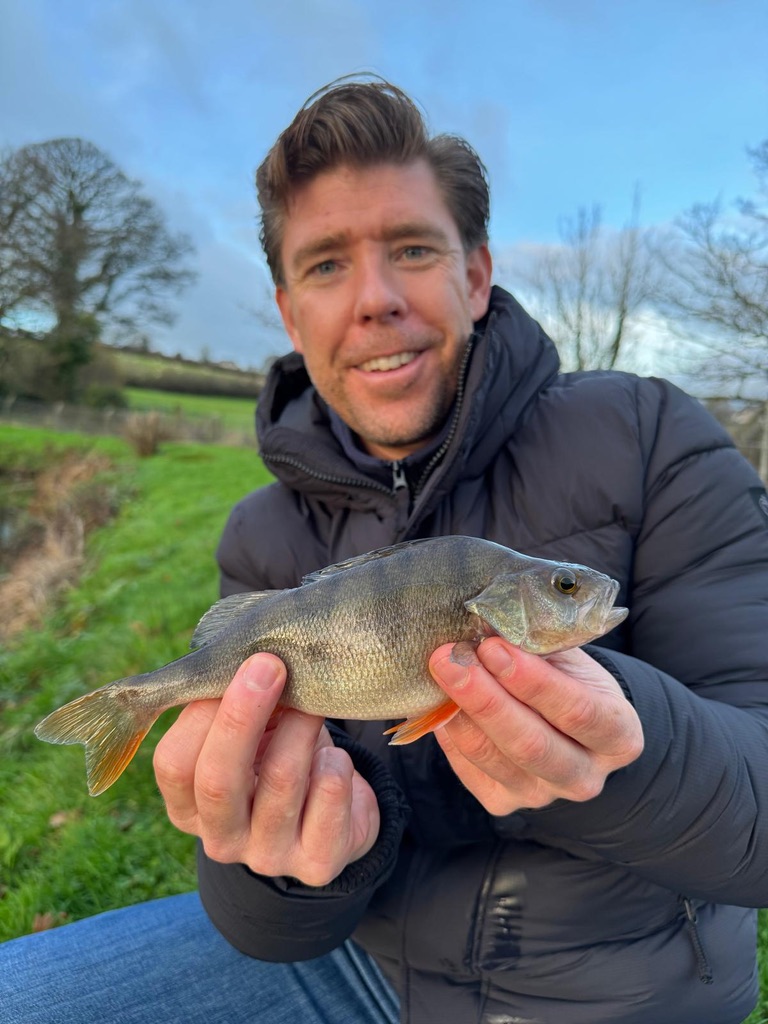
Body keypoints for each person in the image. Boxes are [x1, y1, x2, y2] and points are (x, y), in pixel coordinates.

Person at [2, 76, 768, 1024]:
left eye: (411, 248)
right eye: (326, 264)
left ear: (477, 274)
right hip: (363, 970)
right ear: (288, 313)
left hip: (634, 993)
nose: (373, 301)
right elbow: (259, 924)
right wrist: (286, 871)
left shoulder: (654, 437)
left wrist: (633, 756)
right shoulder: (259, 536)